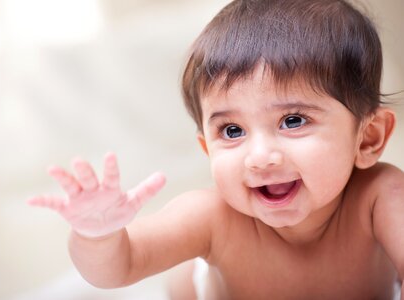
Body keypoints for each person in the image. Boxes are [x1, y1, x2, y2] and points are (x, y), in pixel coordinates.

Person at [28, 0, 404, 299]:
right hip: (199, 290)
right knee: (177, 282)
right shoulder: (211, 217)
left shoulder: (380, 197)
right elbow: (118, 268)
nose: (259, 156)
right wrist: (100, 235)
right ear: (207, 148)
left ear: (367, 138)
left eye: (293, 121)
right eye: (233, 129)